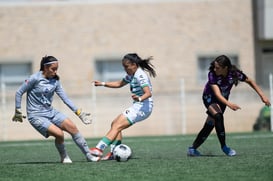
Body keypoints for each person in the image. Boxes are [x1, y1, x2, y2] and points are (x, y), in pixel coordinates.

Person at [12, 55, 99, 163]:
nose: (55, 71)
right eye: (53, 69)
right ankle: (64, 157)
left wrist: (79, 113)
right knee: (59, 134)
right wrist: (18, 110)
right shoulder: (34, 78)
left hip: (51, 112)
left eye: (57, 69)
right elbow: (19, 92)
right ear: (45, 68)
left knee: (73, 128)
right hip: (36, 115)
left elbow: (65, 98)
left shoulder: (55, 81)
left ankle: (88, 155)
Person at [187, 55, 271, 157]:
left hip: (223, 101)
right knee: (218, 116)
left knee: (210, 124)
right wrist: (230, 104)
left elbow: (250, 81)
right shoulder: (212, 74)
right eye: (214, 66)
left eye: (217, 67)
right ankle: (224, 147)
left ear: (225, 68)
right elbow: (217, 94)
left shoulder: (234, 73)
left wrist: (262, 96)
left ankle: (192, 149)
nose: (215, 69)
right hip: (209, 98)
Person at [90, 53, 156, 160]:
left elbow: (148, 93)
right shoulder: (132, 75)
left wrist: (139, 99)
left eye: (126, 66)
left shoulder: (140, 75)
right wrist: (102, 83)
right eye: (123, 67)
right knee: (115, 124)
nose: (125, 69)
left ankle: (99, 149)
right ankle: (113, 153)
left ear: (134, 65)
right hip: (138, 106)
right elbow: (119, 84)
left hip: (143, 107)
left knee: (117, 126)